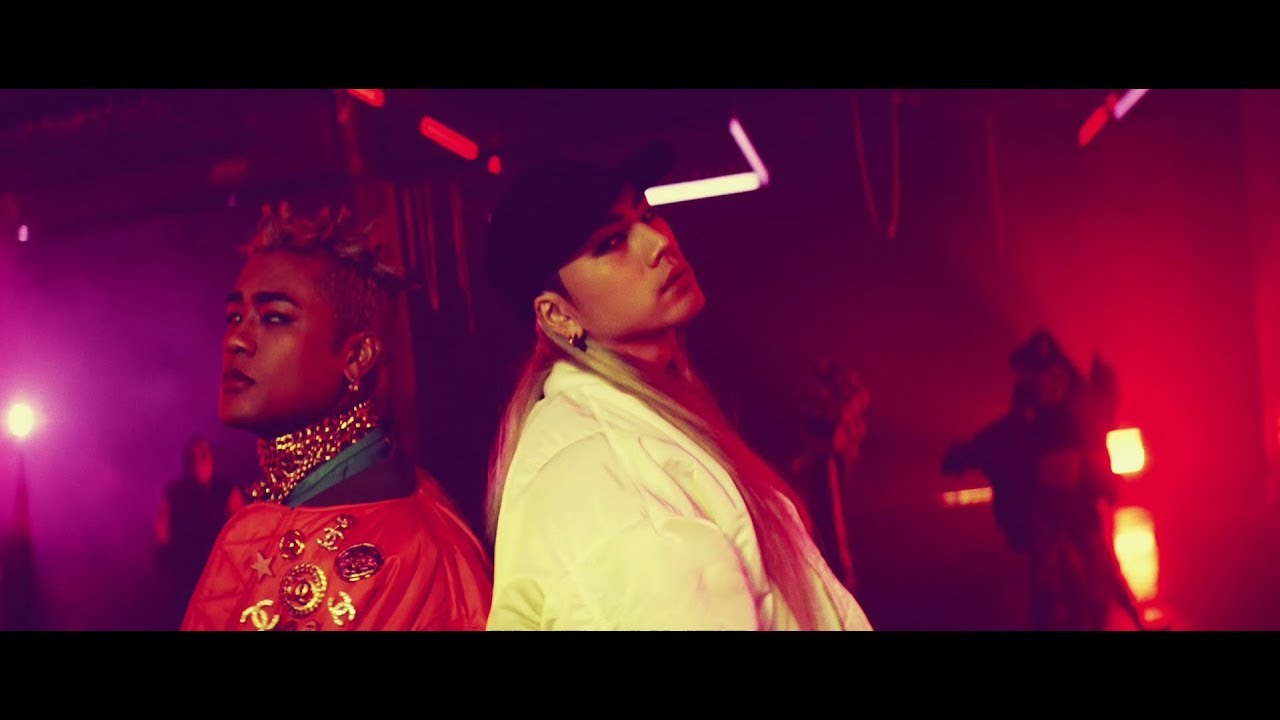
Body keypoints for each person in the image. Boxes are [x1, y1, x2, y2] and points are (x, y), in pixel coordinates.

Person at [482, 142, 871, 630]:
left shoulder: (639, 420)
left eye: (648, 214)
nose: (658, 242)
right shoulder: (610, 471)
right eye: (611, 241)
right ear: (557, 314)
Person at [182, 203, 492, 631]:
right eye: (234, 316)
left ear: (356, 357)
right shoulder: (270, 515)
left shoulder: (411, 550)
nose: (236, 338)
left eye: (274, 318)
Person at [943, 330, 1145, 630]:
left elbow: (1089, 451)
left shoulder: (1073, 413)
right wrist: (968, 453)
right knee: (1050, 586)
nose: (1047, 383)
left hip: (1073, 508)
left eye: (1050, 377)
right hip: (1048, 512)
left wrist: (1102, 482)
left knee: (1099, 570)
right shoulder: (1028, 418)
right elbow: (1006, 440)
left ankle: (1133, 619)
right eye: (1038, 376)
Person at [155, 435, 246, 626]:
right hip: (187, 573)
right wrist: (164, 565)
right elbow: (163, 531)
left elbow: (241, 529)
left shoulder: (226, 489)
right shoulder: (174, 493)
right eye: (192, 458)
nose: (198, 463)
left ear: (212, 458)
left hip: (221, 571)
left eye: (203, 456)